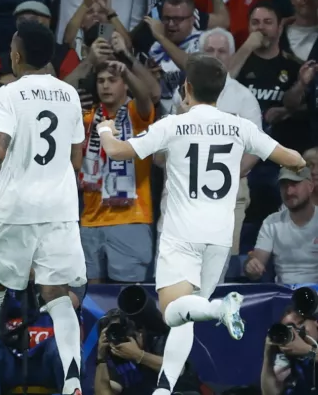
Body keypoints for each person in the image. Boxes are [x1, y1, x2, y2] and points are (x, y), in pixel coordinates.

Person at [94, 54, 307, 395]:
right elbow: (293, 159)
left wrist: (105, 128)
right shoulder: (239, 126)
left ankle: (220, 308)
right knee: (188, 314)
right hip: (219, 238)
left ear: (186, 88)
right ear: (221, 90)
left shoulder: (173, 124)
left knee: (173, 312)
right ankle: (165, 388)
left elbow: (118, 151)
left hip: (181, 234)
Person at [0, 21, 87, 395]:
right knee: (57, 294)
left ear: (18, 54)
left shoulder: (8, 93)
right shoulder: (69, 95)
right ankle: (73, 382)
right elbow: (76, 158)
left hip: (15, 208)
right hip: (59, 208)